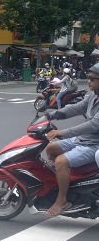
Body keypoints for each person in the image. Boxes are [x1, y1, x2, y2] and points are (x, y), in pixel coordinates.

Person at [44, 63, 99, 217]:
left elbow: (93, 124)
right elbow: (76, 108)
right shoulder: (93, 95)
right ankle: (64, 182)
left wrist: (63, 132)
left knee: (61, 161)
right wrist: (52, 114)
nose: (88, 82)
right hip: (83, 139)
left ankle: (62, 200)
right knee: (51, 148)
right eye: (88, 78)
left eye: (92, 79)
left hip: (94, 144)